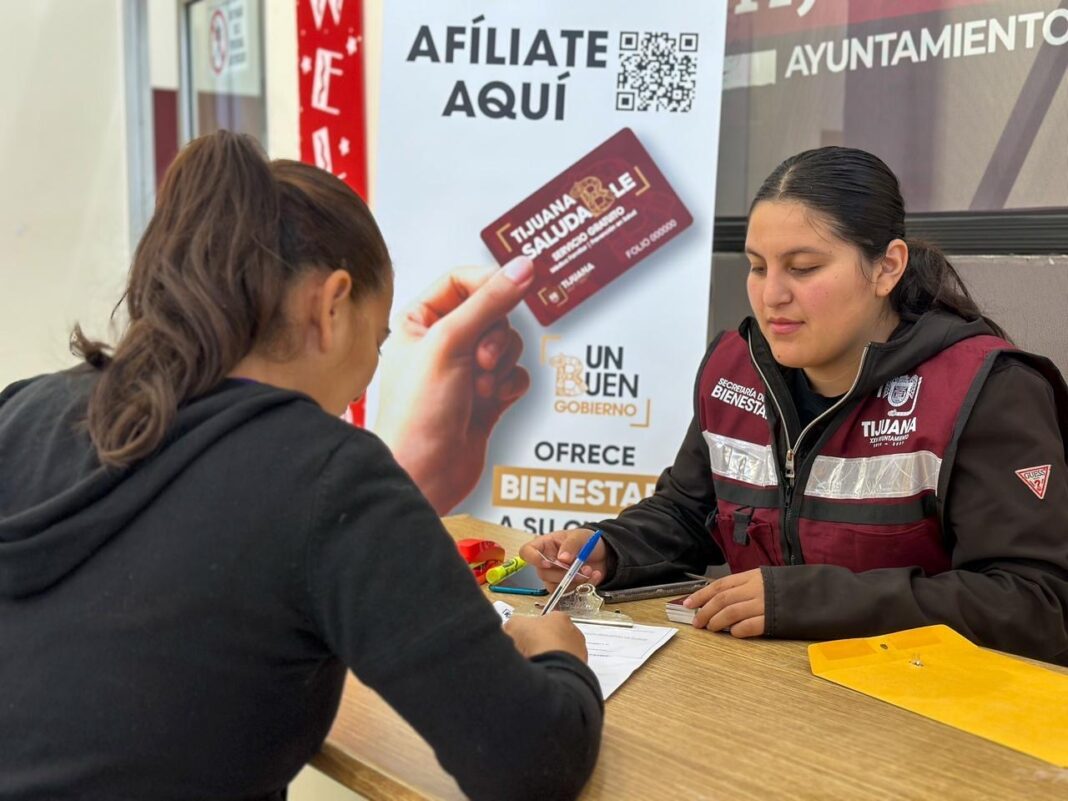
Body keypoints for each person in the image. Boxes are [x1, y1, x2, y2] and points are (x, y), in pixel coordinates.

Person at [0, 131, 602, 800]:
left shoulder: (23, 411)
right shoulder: (328, 477)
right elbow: (531, 763)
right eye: (377, 341)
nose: (370, 376)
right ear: (331, 304)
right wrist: (558, 654)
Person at [521, 146, 1068, 665]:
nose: (771, 295)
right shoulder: (734, 368)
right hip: (772, 701)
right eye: (758, 266)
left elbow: (1035, 604)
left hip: (932, 723)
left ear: (887, 267)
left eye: (803, 268)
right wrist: (606, 552)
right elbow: (689, 512)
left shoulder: (989, 389)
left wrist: (809, 601)